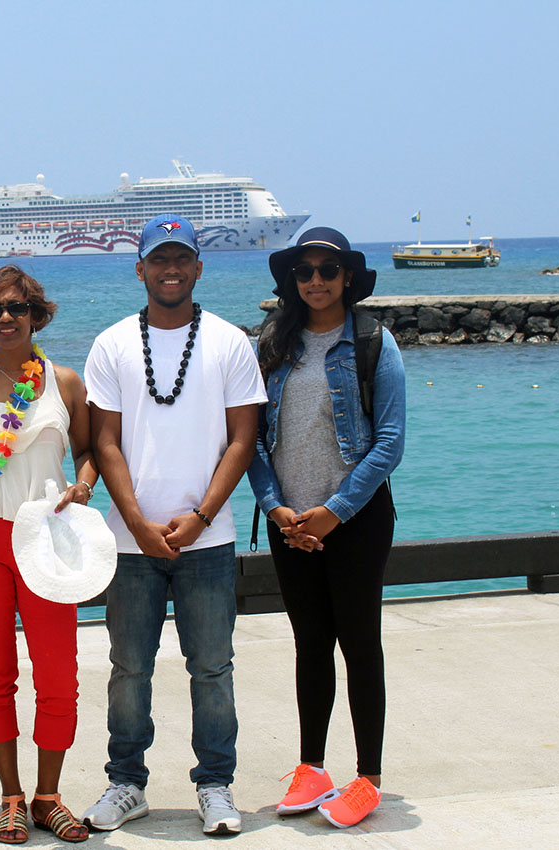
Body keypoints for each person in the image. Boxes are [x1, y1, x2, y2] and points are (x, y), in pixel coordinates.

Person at [81, 215, 266, 836]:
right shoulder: (111, 343)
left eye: (181, 259)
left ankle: (215, 785)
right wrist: (134, 521)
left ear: (198, 268)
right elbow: (104, 442)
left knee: (212, 667)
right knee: (129, 668)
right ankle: (126, 782)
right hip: (130, 543)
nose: (170, 270)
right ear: (140, 269)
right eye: (158, 260)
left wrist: (203, 514)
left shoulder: (228, 342)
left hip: (207, 539)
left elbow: (243, 438)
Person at [246, 227, 406, 829]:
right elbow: (253, 438)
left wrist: (335, 511)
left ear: (346, 279)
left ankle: (368, 777)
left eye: (326, 271)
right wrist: (276, 507)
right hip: (291, 524)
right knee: (310, 644)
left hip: (357, 522)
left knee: (360, 644)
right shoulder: (272, 345)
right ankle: (312, 767)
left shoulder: (372, 343)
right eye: (304, 271)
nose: (315, 281)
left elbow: (389, 441)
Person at [0, 265, 97, 845]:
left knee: (59, 671)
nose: (4, 318)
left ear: (37, 314)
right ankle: (10, 795)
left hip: (45, 534)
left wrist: (82, 488)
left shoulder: (64, 381)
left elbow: (89, 451)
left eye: (16, 308)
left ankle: (49, 796)